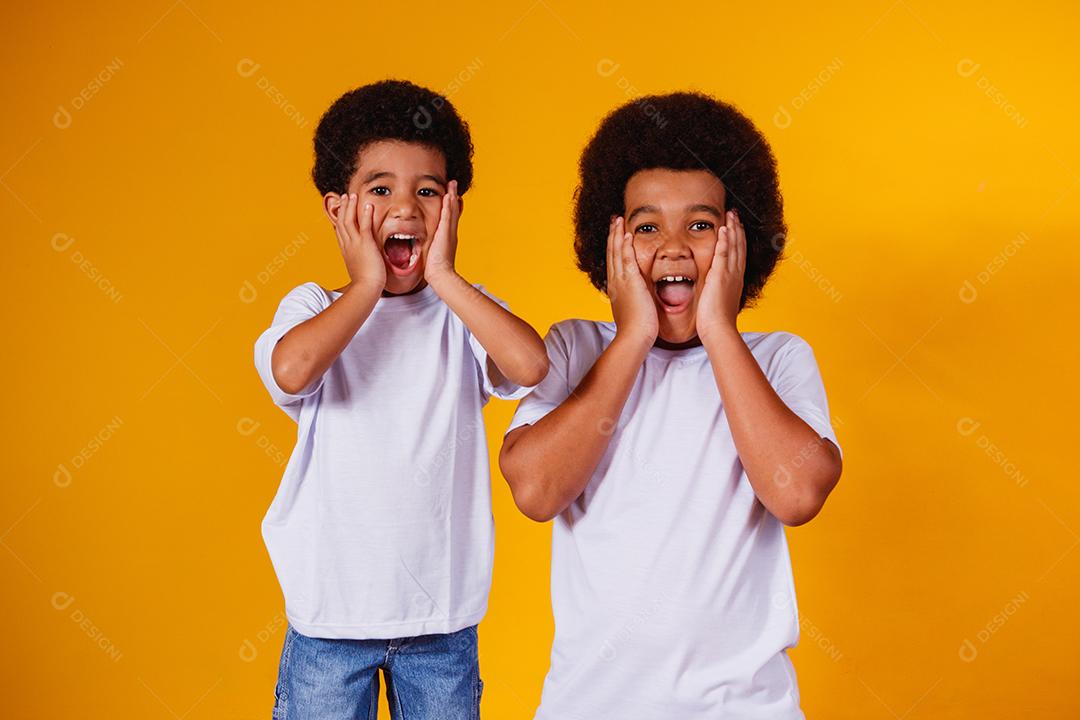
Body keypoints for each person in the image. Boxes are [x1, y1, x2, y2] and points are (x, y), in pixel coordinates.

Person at [499, 92, 843, 719]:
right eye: (647, 226)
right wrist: (632, 336)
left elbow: (796, 496)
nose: (675, 247)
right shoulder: (575, 349)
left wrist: (720, 332)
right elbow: (536, 490)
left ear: (742, 241)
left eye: (702, 225)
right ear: (610, 244)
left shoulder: (776, 358)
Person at [253, 79, 548, 719]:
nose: (406, 207)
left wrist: (443, 276)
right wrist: (364, 284)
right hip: (329, 618)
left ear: (454, 207)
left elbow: (528, 364)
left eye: (428, 191)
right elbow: (293, 371)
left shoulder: (461, 314)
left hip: (441, 621)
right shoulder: (313, 308)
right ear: (338, 210)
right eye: (380, 189)